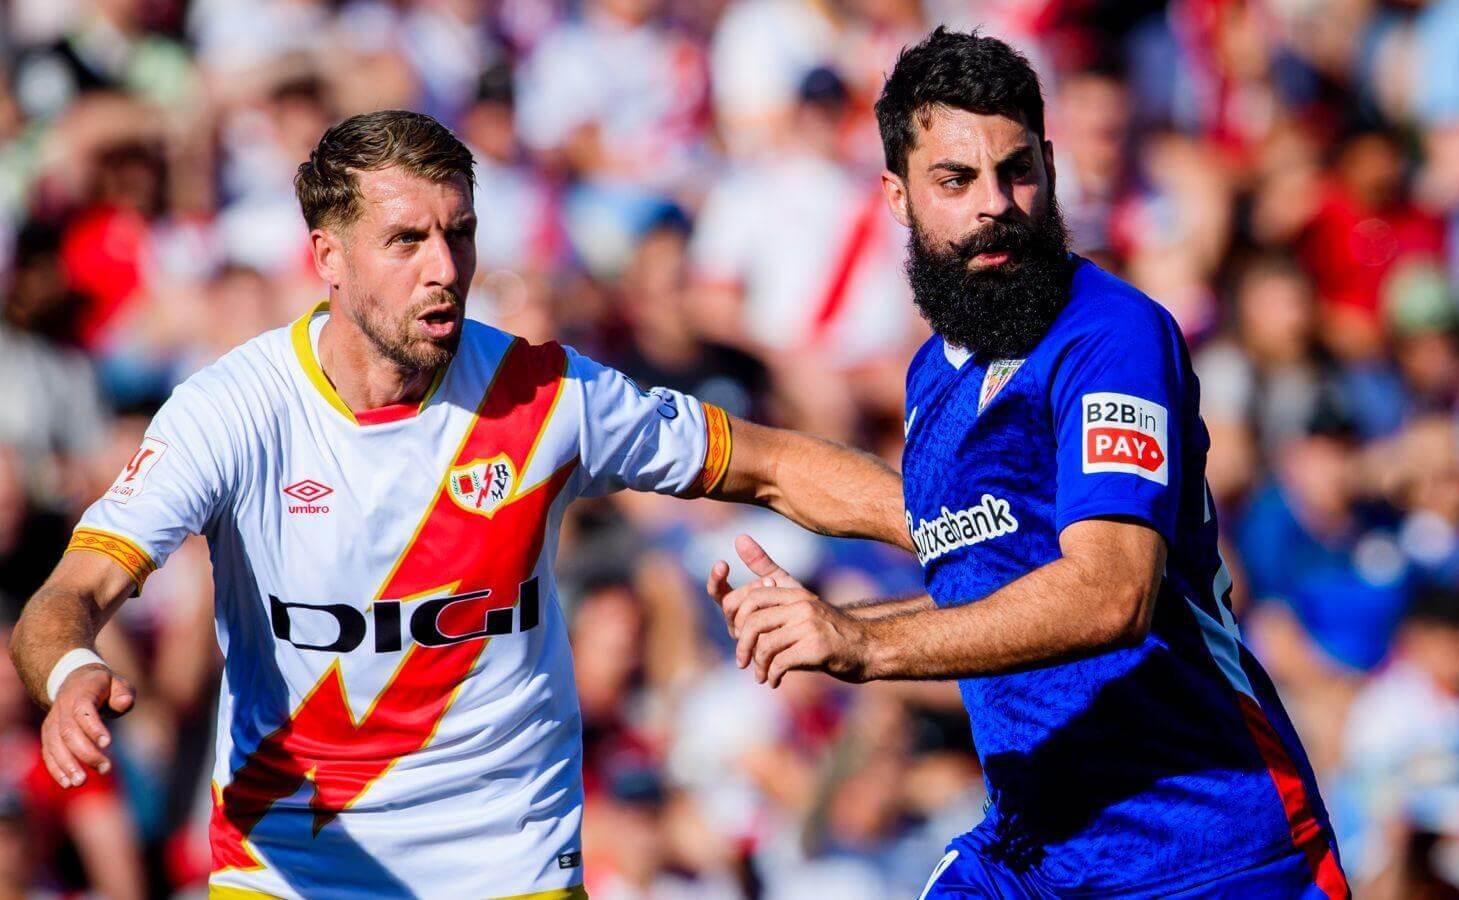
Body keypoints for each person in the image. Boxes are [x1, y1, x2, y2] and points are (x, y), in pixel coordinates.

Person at [8, 110, 908, 899]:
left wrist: (952, 527)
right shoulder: (233, 411)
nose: (445, 268)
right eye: (406, 241)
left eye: (461, 234)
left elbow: (773, 464)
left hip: (508, 873)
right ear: (328, 256)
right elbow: (69, 595)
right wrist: (70, 674)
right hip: (291, 874)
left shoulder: (542, 393)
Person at [711, 28, 1351, 898]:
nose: (995, 204)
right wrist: (824, 618)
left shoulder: (1111, 336)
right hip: (1036, 854)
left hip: (1207, 854)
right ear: (896, 197)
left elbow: (1109, 593)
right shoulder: (934, 373)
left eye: (1018, 171)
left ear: (1052, 167)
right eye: (955, 180)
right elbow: (969, 557)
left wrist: (862, 643)